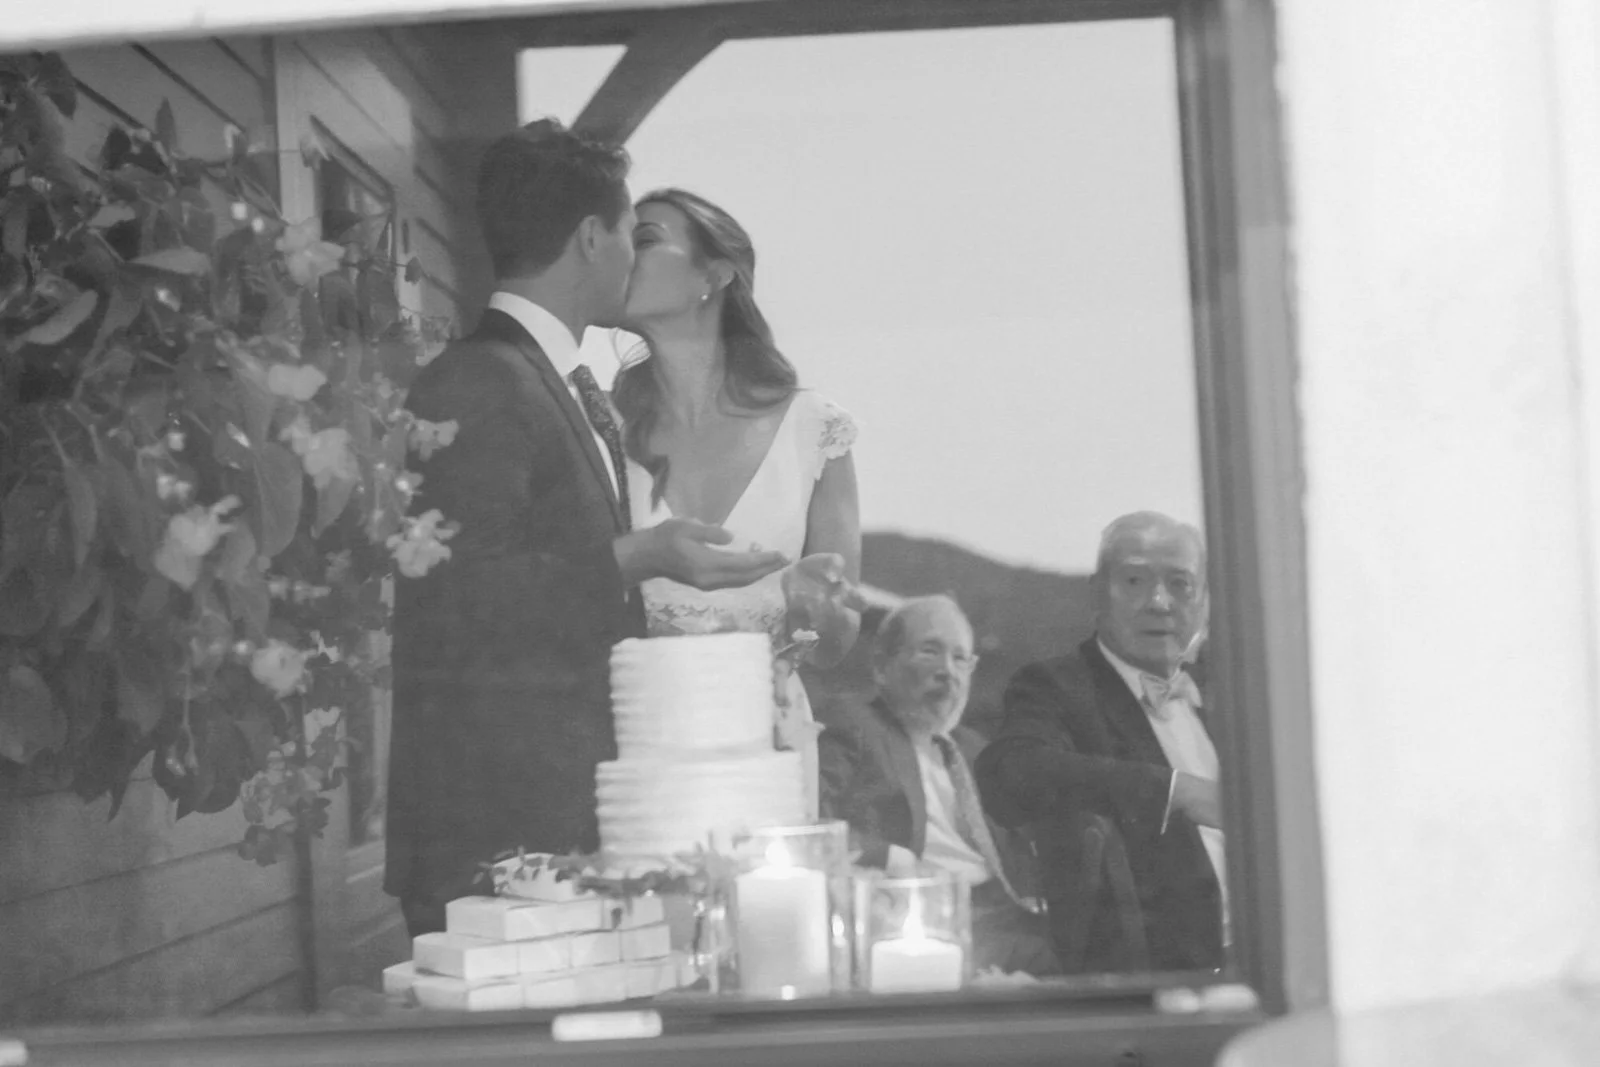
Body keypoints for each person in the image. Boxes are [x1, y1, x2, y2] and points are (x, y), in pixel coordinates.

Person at [385, 124, 789, 937]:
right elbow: (458, 595)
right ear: (591, 238)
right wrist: (641, 554)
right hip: (493, 840)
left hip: (546, 829)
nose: (633, 257)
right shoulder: (477, 381)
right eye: (629, 232)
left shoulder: (550, 380)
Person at [612, 188, 863, 817]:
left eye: (643, 238)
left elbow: (833, 645)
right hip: (637, 741)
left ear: (713, 276)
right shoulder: (601, 426)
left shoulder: (814, 428)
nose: (620, 252)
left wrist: (817, 607)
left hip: (767, 743)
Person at [975, 512, 1226, 974]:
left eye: (1180, 584)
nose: (1158, 602)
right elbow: (1011, 772)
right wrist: (1176, 792)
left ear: (1205, 601)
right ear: (1098, 592)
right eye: (1134, 580)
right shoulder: (1057, 688)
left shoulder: (1232, 695)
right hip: (1164, 980)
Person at [819, 596, 1059, 976]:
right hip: (928, 919)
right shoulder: (855, 724)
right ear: (882, 666)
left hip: (1010, 911)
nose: (948, 671)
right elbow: (816, 823)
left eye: (961, 658)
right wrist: (888, 857)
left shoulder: (974, 748)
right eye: (930, 652)